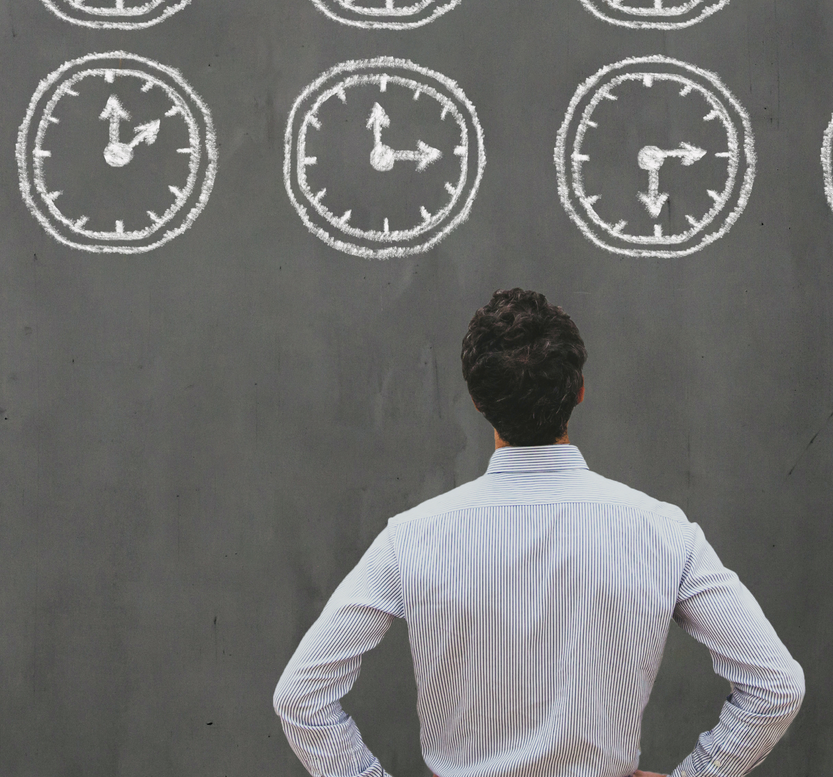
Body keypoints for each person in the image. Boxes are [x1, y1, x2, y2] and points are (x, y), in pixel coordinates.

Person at [273, 289, 805, 777]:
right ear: (578, 391)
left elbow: (301, 697)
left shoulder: (412, 539)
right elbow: (776, 687)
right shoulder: (663, 533)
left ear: (478, 402)